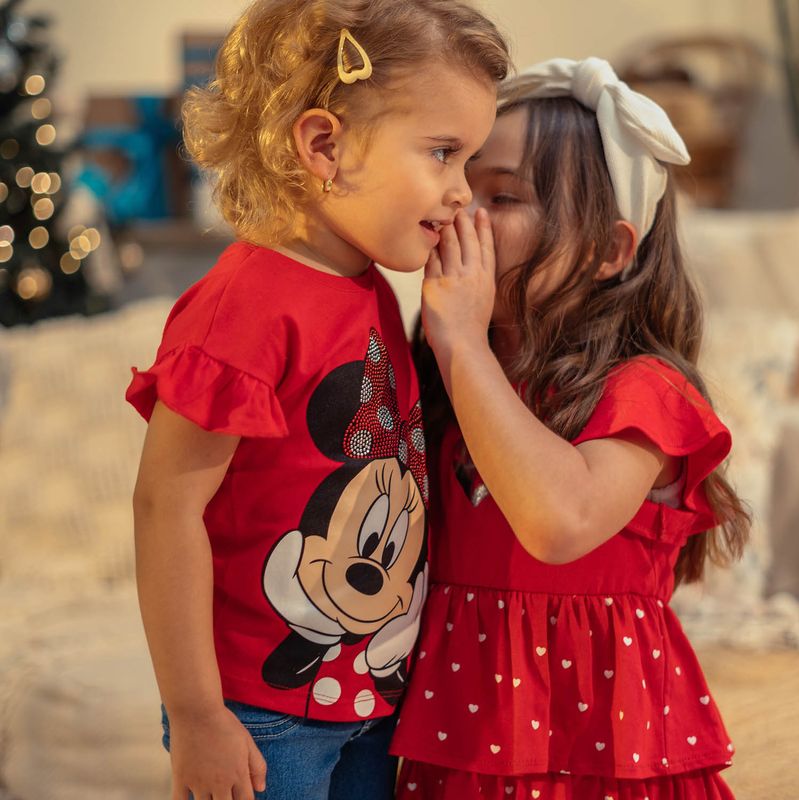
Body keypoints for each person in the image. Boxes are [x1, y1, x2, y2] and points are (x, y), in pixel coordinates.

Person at [126, 2, 509, 799]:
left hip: (368, 696)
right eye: (442, 153)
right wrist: (196, 715)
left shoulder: (369, 285)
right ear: (324, 145)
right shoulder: (245, 305)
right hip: (260, 715)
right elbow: (166, 507)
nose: (462, 193)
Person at [391, 57, 751, 800]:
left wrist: (459, 340)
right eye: (464, 185)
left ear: (610, 251)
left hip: (607, 751)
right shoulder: (441, 379)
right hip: (465, 742)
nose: (467, 214)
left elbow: (559, 522)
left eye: (505, 195)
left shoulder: (648, 392)